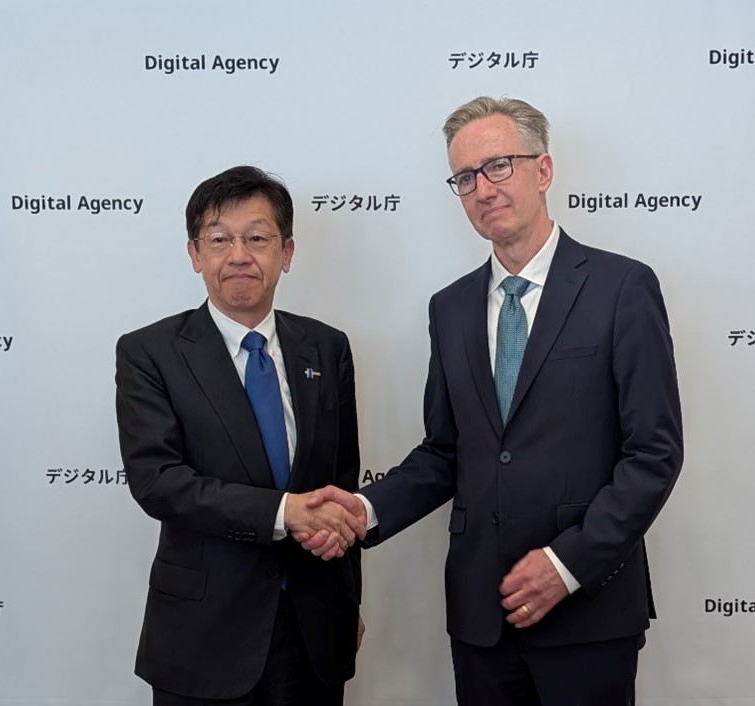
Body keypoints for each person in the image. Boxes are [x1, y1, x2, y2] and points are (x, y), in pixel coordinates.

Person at [304, 97, 683, 705]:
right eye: (465, 177)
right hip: (481, 618)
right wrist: (360, 511)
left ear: (544, 170)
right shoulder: (449, 308)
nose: (483, 188)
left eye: (499, 165)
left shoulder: (622, 288)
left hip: (587, 612)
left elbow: (654, 455)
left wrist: (565, 564)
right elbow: (445, 453)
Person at [115, 165, 365, 706]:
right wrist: (284, 513)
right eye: (219, 239)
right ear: (194, 254)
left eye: (257, 238)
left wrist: (348, 603)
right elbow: (158, 482)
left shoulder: (327, 347)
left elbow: (341, 490)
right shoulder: (149, 353)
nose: (238, 255)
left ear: (287, 252)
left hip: (313, 633)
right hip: (204, 636)